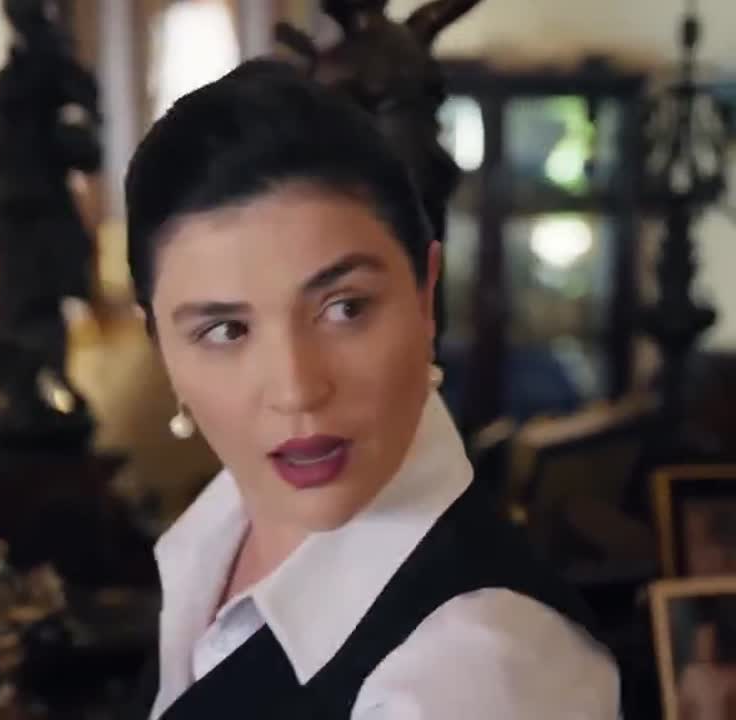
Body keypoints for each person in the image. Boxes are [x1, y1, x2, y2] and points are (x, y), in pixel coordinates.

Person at [123, 60, 619, 718]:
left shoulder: (471, 671)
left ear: (426, 295)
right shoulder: (214, 535)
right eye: (225, 330)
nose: (297, 389)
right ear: (159, 343)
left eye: (344, 308)